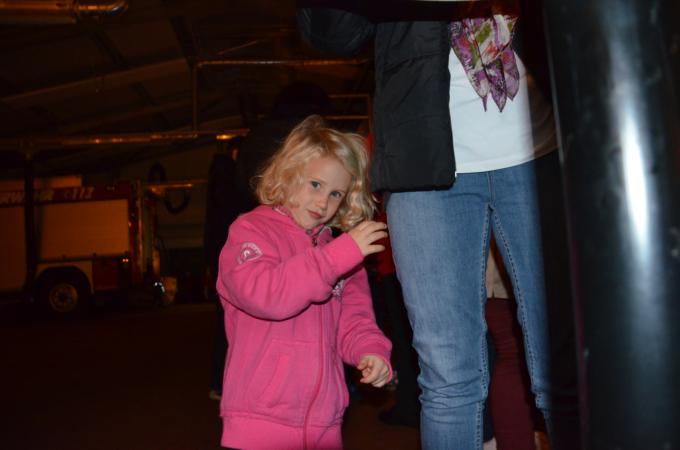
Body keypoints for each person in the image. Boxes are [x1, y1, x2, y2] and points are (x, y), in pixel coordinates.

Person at [298, 2, 581, 449]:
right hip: (422, 161)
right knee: (449, 382)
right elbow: (333, 33)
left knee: (564, 372)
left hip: (544, 148)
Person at [215, 115, 393, 450]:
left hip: (325, 421)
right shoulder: (250, 231)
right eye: (315, 184)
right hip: (260, 419)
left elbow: (355, 320)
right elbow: (267, 296)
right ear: (289, 173)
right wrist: (334, 259)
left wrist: (372, 351)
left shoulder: (341, 254)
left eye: (336, 193)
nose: (323, 202)